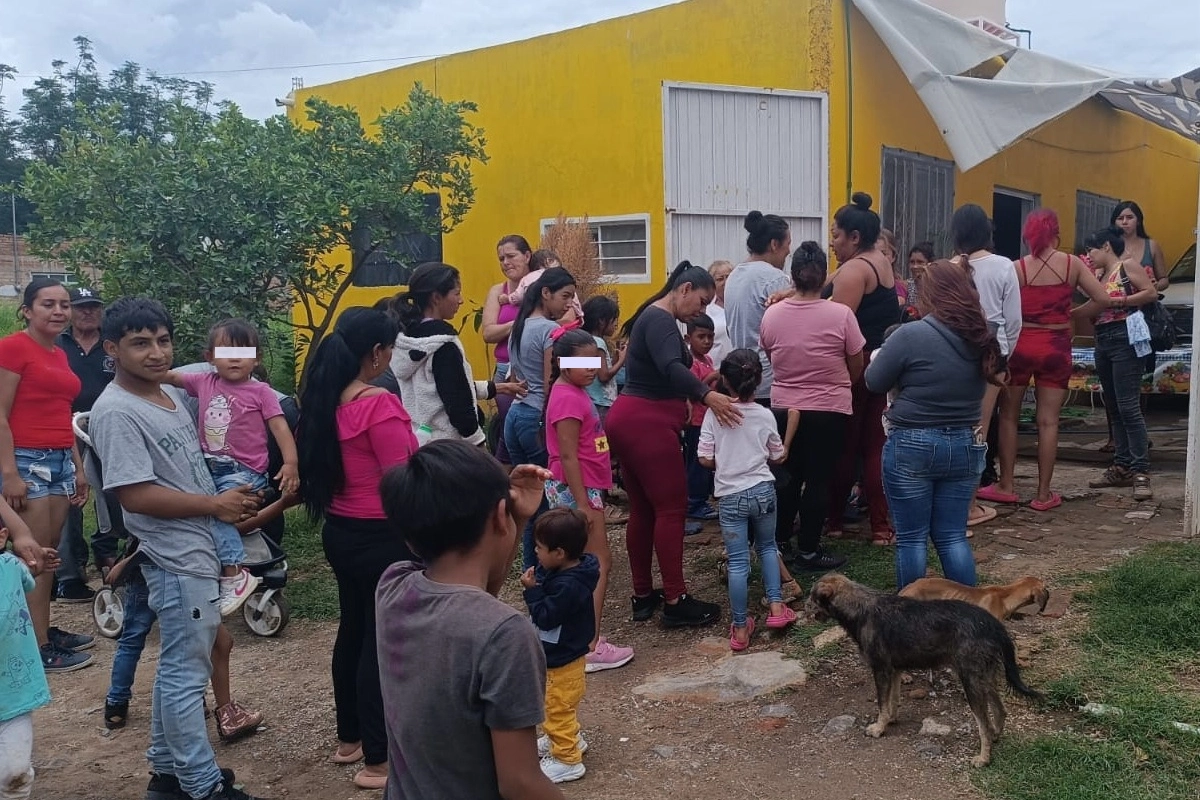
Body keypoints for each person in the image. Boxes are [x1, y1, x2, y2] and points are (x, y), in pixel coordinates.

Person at [90, 296, 265, 800]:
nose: (156, 353)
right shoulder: (117, 412)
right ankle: (202, 786)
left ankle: (167, 774)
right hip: (174, 556)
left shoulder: (166, 396)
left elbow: (221, 368)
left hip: (196, 549)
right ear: (112, 348)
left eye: (163, 340)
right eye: (139, 343)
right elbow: (134, 495)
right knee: (187, 676)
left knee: (180, 669)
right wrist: (214, 506)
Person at [377, 441, 564, 800]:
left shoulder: (393, 586)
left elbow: (475, 594)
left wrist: (517, 517)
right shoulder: (506, 634)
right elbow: (520, 784)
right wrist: (514, 519)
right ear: (497, 516)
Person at [296, 307, 419, 790]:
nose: (392, 357)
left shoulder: (324, 401)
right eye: (390, 348)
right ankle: (377, 758)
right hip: (381, 536)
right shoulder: (377, 404)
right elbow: (401, 479)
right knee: (377, 640)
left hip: (340, 531)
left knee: (353, 629)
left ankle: (349, 739)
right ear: (376, 353)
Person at [606, 261, 740, 628]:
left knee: (645, 510)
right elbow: (670, 368)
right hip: (646, 425)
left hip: (630, 421)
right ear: (684, 289)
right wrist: (706, 397)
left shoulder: (653, 318)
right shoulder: (662, 320)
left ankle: (643, 594)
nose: (702, 310)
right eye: (701, 300)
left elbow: (666, 370)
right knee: (671, 509)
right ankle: (676, 599)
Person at [864, 261, 1003, 590]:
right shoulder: (982, 336)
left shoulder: (911, 335)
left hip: (912, 444)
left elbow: (874, 381)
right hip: (966, 444)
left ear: (932, 296)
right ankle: (970, 615)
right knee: (953, 536)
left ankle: (914, 621)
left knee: (912, 539)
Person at [164, 319, 297, 616]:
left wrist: (290, 463)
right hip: (210, 468)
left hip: (244, 470)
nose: (234, 358)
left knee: (218, 514)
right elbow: (170, 377)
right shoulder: (203, 382)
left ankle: (235, 573)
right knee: (193, 510)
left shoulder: (260, 391)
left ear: (257, 358)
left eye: (243, 351)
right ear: (209, 357)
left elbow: (280, 428)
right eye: (225, 351)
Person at [983, 210, 1113, 511]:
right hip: (1055, 345)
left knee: (1008, 416)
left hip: (1021, 345)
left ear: (1029, 236)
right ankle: (1043, 494)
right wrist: (1072, 315)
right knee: (1048, 420)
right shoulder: (1072, 264)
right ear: (1056, 233)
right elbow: (1103, 300)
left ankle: (1006, 484)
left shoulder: (1017, 268)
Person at [0, 278, 93, 673]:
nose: (58, 311)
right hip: (26, 458)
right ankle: (36, 648)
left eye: (64, 304)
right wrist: (9, 473)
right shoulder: (11, 348)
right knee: (34, 556)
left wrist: (78, 466)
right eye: (48, 304)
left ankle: (42, 630)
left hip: (59, 456)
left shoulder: (58, 354)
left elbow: (60, 413)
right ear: (27, 310)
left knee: (50, 551)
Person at [761, 242, 865, 568]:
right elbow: (856, 363)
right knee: (819, 480)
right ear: (824, 278)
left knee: (786, 476)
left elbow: (770, 354)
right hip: (829, 408)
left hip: (782, 406)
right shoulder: (842, 315)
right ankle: (808, 548)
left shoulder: (772, 314)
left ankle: (779, 544)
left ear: (793, 276)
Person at [542, 328, 634, 673]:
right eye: (582, 362)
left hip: (584, 487)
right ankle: (590, 644)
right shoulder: (567, 396)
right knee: (597, 563)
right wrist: (583, 504)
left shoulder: (573, 390)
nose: (592, 368)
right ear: (564, 363)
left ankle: (580, 638)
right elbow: (567, 456)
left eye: (594, 360)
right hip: (576, 490)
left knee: (587, 565)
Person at [696, 349, 796, 651]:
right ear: (759, 379)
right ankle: (777, 609)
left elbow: (704, 458)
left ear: (724, 380)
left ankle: (740, 629)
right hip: (764, 491)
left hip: (730, 496)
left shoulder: (715, 414)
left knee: (738, 562)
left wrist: (724, 463)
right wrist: (782, 450)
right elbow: (777, 454)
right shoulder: (765, 415)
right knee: (767, 546)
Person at [822, 193, 899, 545]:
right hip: (881, 361)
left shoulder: (854, 270)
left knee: (845, 446)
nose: (832, 242)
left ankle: (834, 520)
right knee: (875, 444)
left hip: (857, 363)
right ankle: (881, 527)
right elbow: (831, 279)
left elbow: (836, 326)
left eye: (836, 235)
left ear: (854, 236)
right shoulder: (879, 260)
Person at [391, 262, 526, 445]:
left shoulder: (405, 339)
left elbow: (435, 387)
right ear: (436, 298)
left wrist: (498, 388)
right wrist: (477, 442)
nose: (461, 300)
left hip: (419, 439)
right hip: (450, 445)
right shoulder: (443, 344)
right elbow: (457, 400)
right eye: (456, 293)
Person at [949, 204, 1022, 527]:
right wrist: (1005, 354)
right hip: (993, 355)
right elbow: (1014, 321)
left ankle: (952, 500)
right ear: (987, 232)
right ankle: (969, 503)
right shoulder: (1004, 266)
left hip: (953, 352)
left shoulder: (948, 267)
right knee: (978, 429)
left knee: (954, 426)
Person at [1075, 227, 1158, 500]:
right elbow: (1092, 305)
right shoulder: (1098, 276)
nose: (1090, 255)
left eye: (1092, 250)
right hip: (1103, 339)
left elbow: (1150, 293)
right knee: (1113, 406)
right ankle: (1122, 465)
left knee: (1128, 406)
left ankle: (1141, 470)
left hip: (1125, 337)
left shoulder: (1127, 266)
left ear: (1106, 247)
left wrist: (1119, 300)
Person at [505, 267, 579, 571]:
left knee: (530, 507)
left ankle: (530, 573)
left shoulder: (519, 326)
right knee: (548, 508)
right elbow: (555, 378)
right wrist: (596, 352)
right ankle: (550, 577)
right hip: (537, 418)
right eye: (565, 296)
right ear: (545, 293)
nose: (569, 304)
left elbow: (513, 374)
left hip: (514, 417)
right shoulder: (549, 331)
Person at [520, 508, 599, 784]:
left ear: (560, 553)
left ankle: (567, 759)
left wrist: (532, 592)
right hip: (564, 653)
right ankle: (567, 738)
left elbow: (545, 616)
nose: (535, 552)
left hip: (561, 658)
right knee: (561, 704)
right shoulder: (570, 572)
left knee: (556, 707)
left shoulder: (568, 586)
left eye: (539, 547)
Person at [54, 287, 116, 602]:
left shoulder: (112, 344)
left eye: (93, 307)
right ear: (71, 312)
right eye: (81, 308)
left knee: (112, 493)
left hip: (108, 425)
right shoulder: (57, 344)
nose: (87, 312)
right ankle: (69, 575)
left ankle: (109, 557)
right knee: (70, 497)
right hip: (65, 426)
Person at [0, 502, 56, 800]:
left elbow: (27, 576)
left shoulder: (9, 567)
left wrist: (36, 563)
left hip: (12, 693)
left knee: (15, 775)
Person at [725, 211, 793, 402]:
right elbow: (787, 331)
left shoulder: (734, 275)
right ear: (774, 244)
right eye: (787, 245)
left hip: (741, 377)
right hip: (769, 379)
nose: (788, 251)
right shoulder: (774, 279)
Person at [482, 234, 534, 463]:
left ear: (527, 256)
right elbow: (488, 333)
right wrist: (519, 324)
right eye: (501, 258)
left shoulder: (542, 287)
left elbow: (563, 324)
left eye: (511, 256)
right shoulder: (498, 291)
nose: (505, 262)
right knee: (508, 429)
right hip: (505, 370)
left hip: (536, 369)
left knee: (530, 430)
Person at [683, 314, 718, 520]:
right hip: (695, 421)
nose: (707, 341)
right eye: (701, 337)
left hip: (707, 419)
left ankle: (701, 498)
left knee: (705, 461)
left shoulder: (708, 359)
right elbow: (694, 390)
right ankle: (694, 503)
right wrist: (714, 376)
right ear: (689, 339)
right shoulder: (690, 362)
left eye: (710, 337)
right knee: (697, 463)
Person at [504, 249, 585, 324]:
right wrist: (579, 314)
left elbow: (518, 295)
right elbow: (575, 302)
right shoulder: (564, 285)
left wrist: (508, 299)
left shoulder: (527, 279)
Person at [1111, 200, 1168, 292]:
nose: (1125, 222)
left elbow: (1164, 279)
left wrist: (1155, 286)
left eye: (1130, 217)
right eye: (1120, 218)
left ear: (1138, 221)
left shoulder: (1152, 246)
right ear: (1115, 222)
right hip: (1116, 303)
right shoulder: (1108, 247)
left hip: (1147, 304)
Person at [706, 260, 734, 366]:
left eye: (728, 277)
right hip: (714, 368)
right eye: (720, 279)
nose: (725, 282)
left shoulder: (742, 305)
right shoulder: (706, 309)